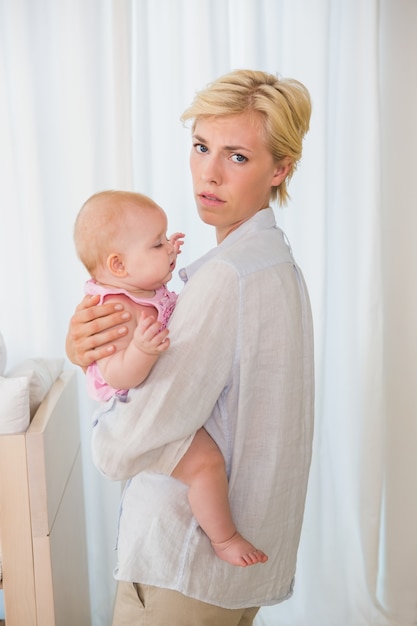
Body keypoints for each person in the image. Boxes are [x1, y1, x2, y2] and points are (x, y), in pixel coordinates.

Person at [66, 69, 315, 626]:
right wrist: (95, 346)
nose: (209, 172)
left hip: (182, 568)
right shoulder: (275, 265)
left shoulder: (227, 279)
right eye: (201, 147)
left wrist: (106, 406)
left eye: (237, 157)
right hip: (226, 577)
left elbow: (125, 444)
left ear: (280, 169)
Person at [74, 189, 267, 567]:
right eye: (157, 243)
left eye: (166, 240)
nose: (168, 247)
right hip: (131, 411)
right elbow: (113, 374)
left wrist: (164, 257)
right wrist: (140, 353)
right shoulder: (114, 311)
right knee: (206, 464)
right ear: (118, 266)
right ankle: (224, 538)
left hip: (156, 401)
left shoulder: (139, 287)